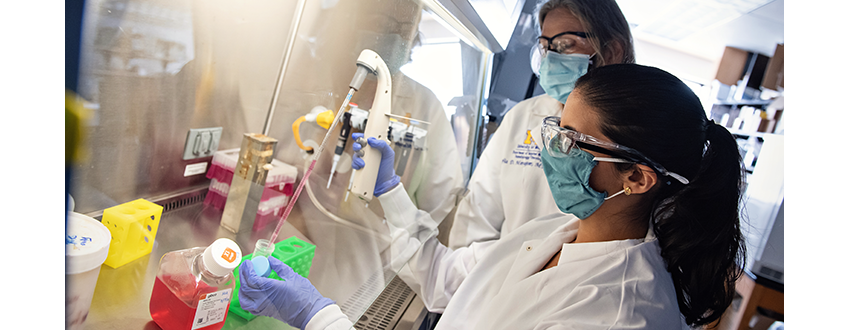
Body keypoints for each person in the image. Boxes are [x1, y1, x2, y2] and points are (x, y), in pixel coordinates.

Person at [238, 64, 747, 329]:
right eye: (555, 128)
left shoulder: (615, 314)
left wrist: (316, 316)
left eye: (568, 141)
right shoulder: (555, 234)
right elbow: (443, 279)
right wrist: (389, 190)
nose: (548, 151)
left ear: (637, 179)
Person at [448, 0, 637, 249]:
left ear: (612, 51)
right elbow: (477, 218)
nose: (550, 60)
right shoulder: (523, 116)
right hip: (499, 278)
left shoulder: (639, 133)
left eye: (565, 45)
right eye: (546, 47)